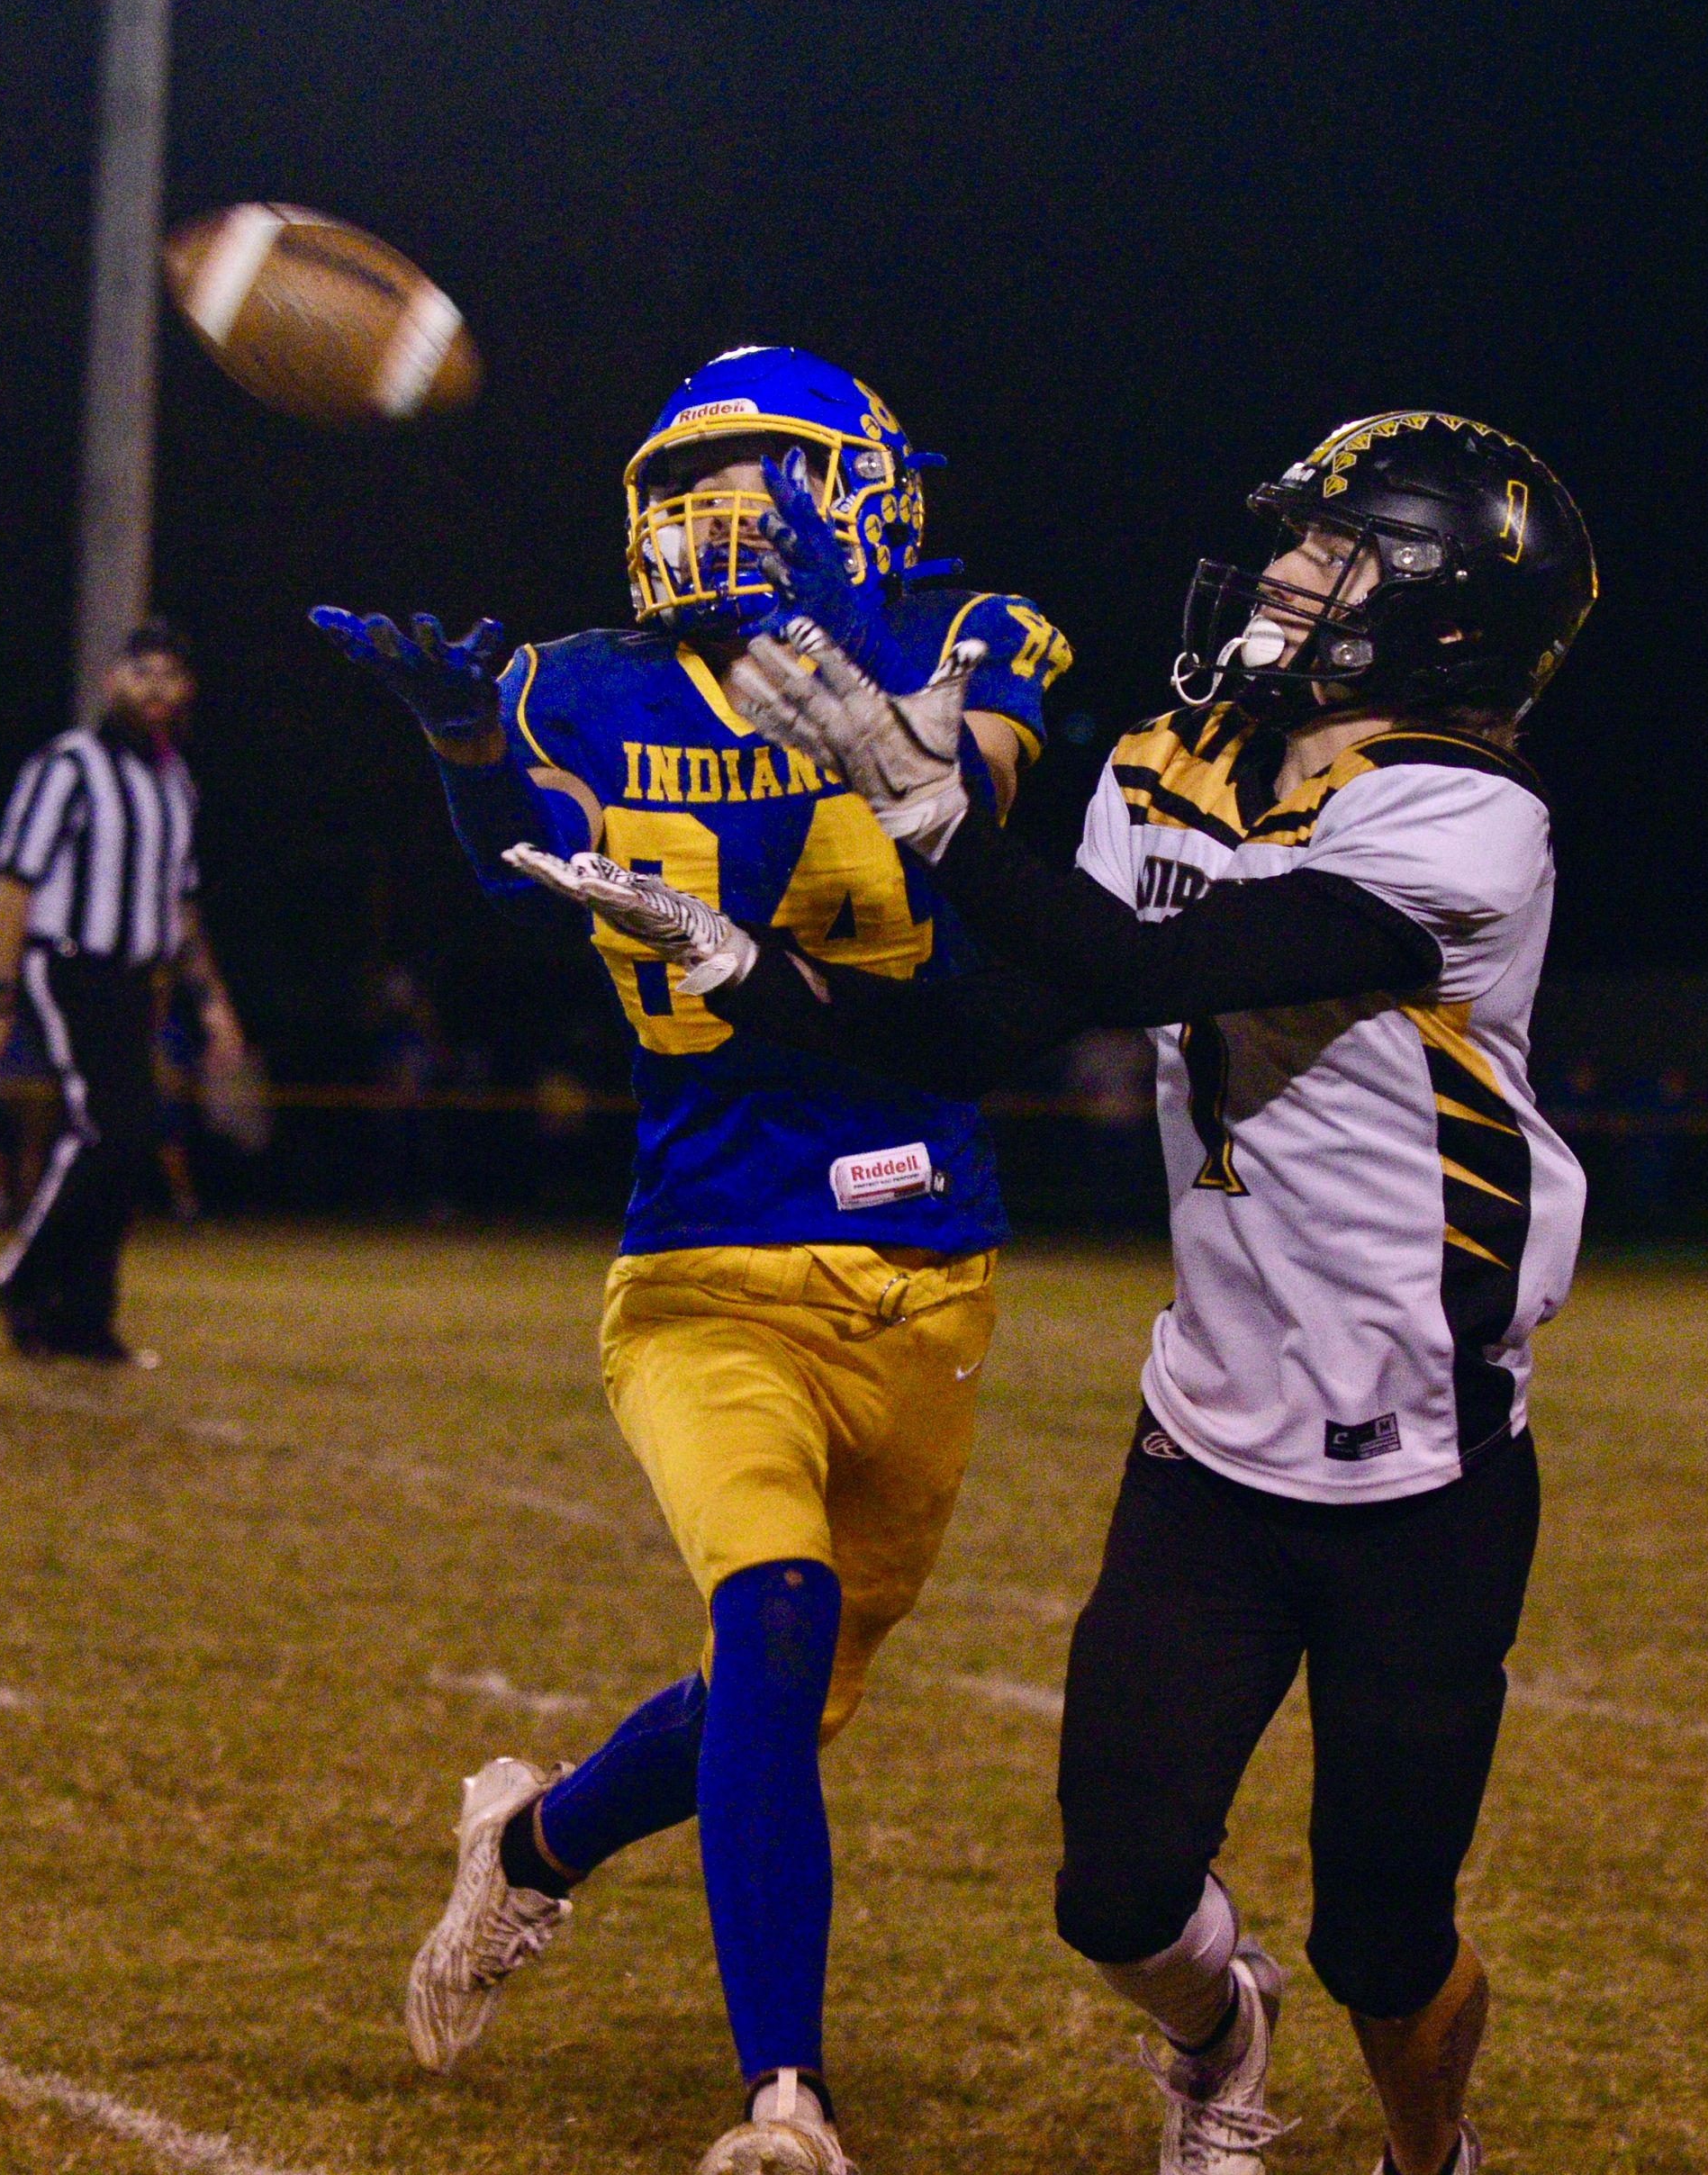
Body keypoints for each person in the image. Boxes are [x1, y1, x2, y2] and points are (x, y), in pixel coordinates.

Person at [529, 411, 1596, 2175]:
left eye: (1329, 560)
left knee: (1382, 1938)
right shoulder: (1173, 766)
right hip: (1213, 1441)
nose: (1279, 581)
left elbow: (1160, 964)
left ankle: (1433, 2152)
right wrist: (756, 978)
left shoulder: (1468, 824)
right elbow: (1011, 1018)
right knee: (1112, 1889)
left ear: (1443, 620)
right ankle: (1216, 2037)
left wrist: (933, 808)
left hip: (1427, 1468)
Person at [312, 346, 1071, 2175]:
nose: (706, 510)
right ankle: (784, 2100)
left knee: (779, 1696)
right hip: (703, 1264)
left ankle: (533, 1846)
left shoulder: (976, 633)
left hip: (928, 1272)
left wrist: (859, 693)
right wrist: (462, 749)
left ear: (866, 484)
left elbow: (986, 800)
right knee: (774, 1610)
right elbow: (521, 871)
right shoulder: (573, 684)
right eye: (685, 477)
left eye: (758, 470)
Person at [0, 618, 248, 1363]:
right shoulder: (69, 764)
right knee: (106, 1130)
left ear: (186, 691)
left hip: (136, 978)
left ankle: (80, 1319)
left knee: (127, 1140)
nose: (154, 689)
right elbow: (12, 881)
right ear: (112, 682)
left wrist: (211, 1000)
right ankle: (23, 1279)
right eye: (140, 673)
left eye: (168, 676)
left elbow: (180, 905)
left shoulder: (175, 783)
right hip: (67, 966)